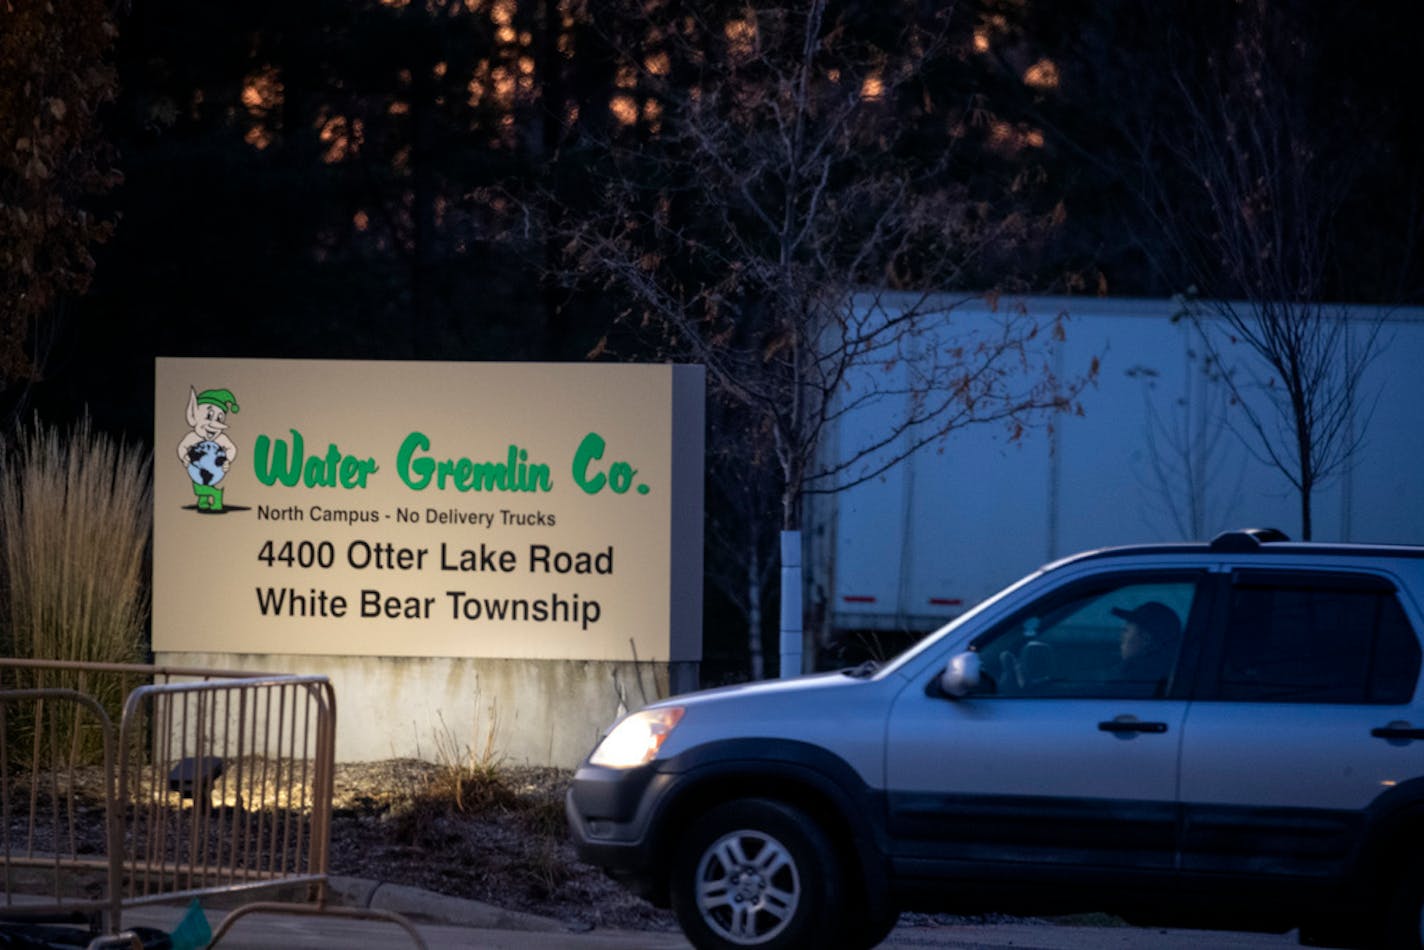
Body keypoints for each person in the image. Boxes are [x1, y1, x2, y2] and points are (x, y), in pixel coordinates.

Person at [1111, 601, 1182, 691]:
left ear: (1146, 639)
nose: (1120, 638)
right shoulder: (1170, 672)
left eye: (1126, 631)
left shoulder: (1133, 677)